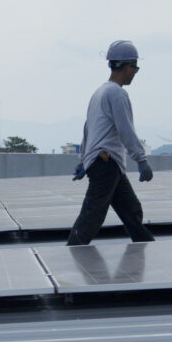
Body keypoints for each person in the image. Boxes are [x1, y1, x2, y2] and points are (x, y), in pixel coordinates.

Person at [67, 40, 155, 246]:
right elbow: (126, 129)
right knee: (93, 213)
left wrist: (83, 160)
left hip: (107, 162)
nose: (135, 73)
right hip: (105, 162)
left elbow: (88, 128)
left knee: (131, 209)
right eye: (135, 68)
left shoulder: (99, 92)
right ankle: (72, 250)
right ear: (127, 66)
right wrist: (141, 160)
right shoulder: (117, 93)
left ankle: (146, 246)